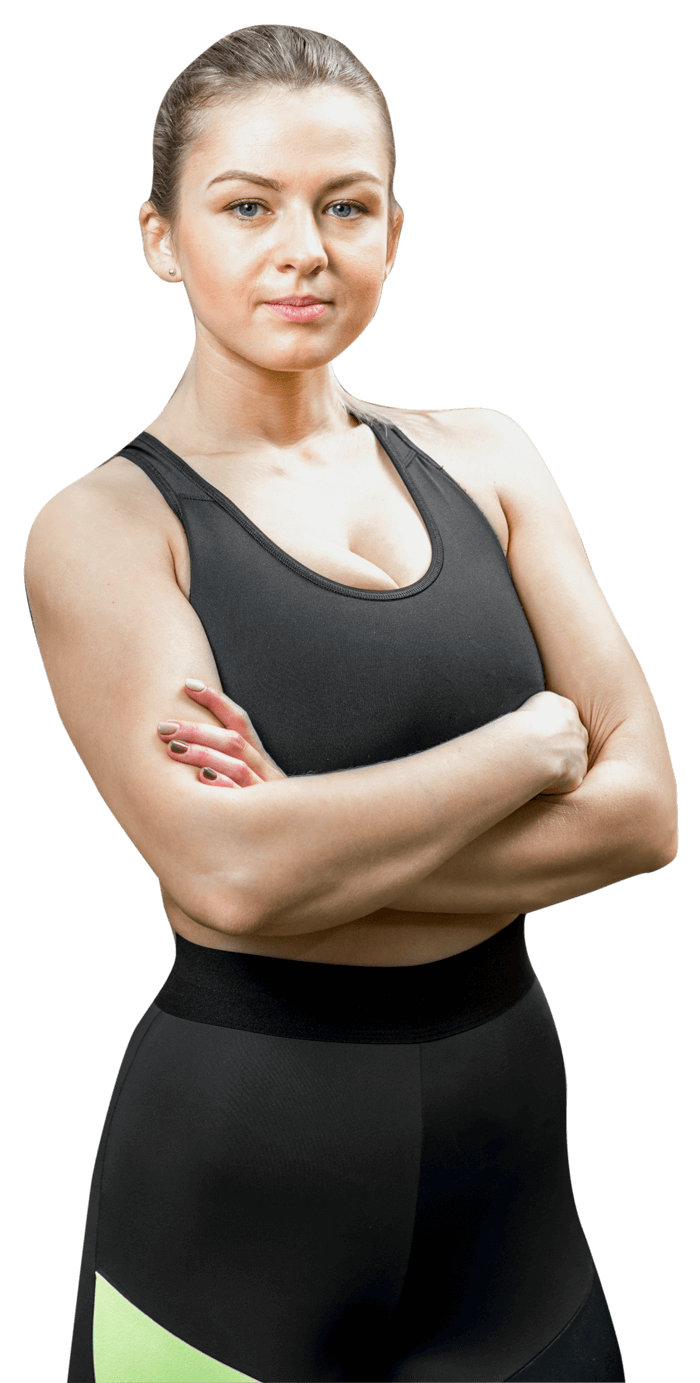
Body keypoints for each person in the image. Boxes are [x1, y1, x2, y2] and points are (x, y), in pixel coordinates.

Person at [24, 24, 676, 1383]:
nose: (303, 249)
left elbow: (645, 816)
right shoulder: (105, 528)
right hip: (231, 1209)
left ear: (393, 230)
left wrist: (305, 852)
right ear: (160, 239)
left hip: (513, 1204)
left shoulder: (490, 455)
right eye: (247, 206)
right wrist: (527, 747)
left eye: (345, 205)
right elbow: (230, 877)